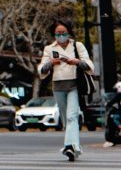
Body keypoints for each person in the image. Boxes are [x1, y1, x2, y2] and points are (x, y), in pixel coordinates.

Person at [38, 19, 94, 162]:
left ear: (69, 33)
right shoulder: (49, 48)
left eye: (63, 33)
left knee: (72, 116)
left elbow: (89, 65)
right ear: (54, 34)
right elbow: (41, 70)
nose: (61, 36)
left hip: (74, 85)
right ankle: (75, 147)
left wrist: (76, 62)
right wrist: (51, 63)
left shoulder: (78, 45)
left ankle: (69, 146)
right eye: (58, 33)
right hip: (57, 86)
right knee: (65, 119)